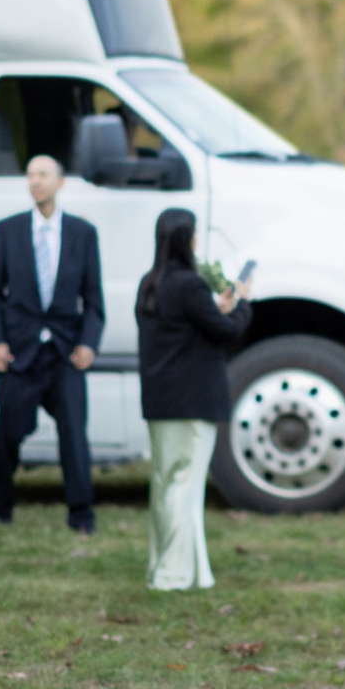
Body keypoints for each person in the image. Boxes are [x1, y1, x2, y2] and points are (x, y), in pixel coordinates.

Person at [0, 154, 106, 533]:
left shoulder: (84, 233)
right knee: (9, 432)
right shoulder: (9, 230)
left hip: (65, 352)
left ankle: (81, 515)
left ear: (60, 182)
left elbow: (94, 298)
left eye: (43, 174)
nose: (35, 181)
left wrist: (89, 342)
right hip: (20, 350)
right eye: (30, 174)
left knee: (73, 433)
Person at [137, 207, 250, 591]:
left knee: (164, 482)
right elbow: (225, 331)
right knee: (185, 485)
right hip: (191, 401)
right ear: (188, 239)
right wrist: (243, 302)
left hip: (159, 400)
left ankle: (167, 566)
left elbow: (184, 329)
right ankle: (175, 573)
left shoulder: (150, 283)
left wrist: (213, 310)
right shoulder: (190, 285)